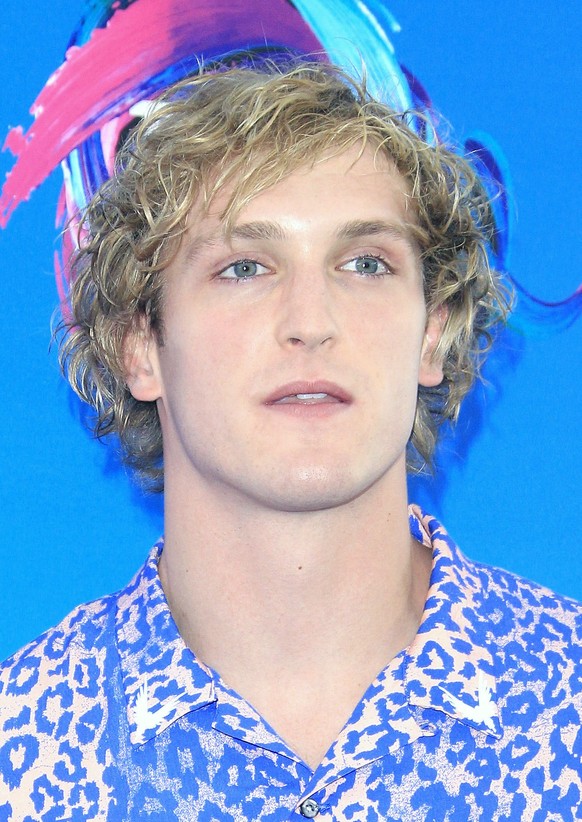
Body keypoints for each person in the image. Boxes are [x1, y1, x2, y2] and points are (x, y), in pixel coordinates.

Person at [1, 61, 580, 821]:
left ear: (433, 332)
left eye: (365, 263)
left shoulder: (564, 700)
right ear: (138, 343)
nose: (311, 319)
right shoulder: (23, 747)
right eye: (245, 267)